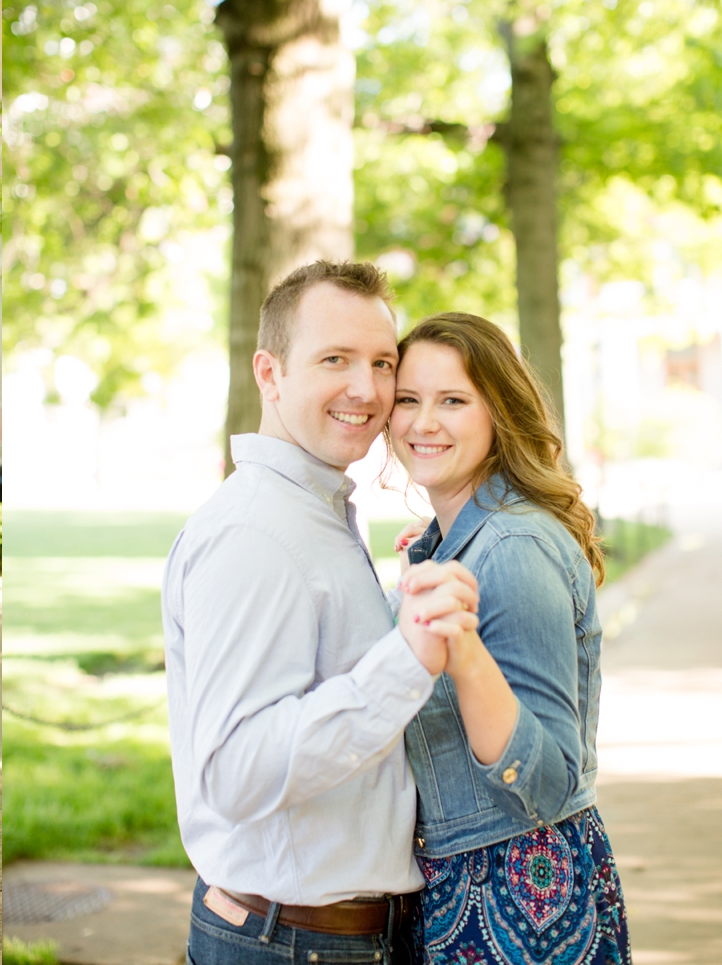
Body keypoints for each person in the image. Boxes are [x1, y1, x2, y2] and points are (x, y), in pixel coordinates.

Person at [164, 260, 481, 965]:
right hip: (294, 943)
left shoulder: (317, 514)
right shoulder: (256, 532)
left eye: (381, 362)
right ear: (270, 374)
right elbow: (236, 772)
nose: (366, 389)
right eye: (334, 359)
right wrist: (406, 661)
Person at [388, 313, 630, 963]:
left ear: (498, 412)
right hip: (466, 889)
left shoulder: (514, 546)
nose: (422, 422)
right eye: (407, 400)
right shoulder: (461, 544)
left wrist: (461, 648)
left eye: (452, 401)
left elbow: (547, 781)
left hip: (523, 901)